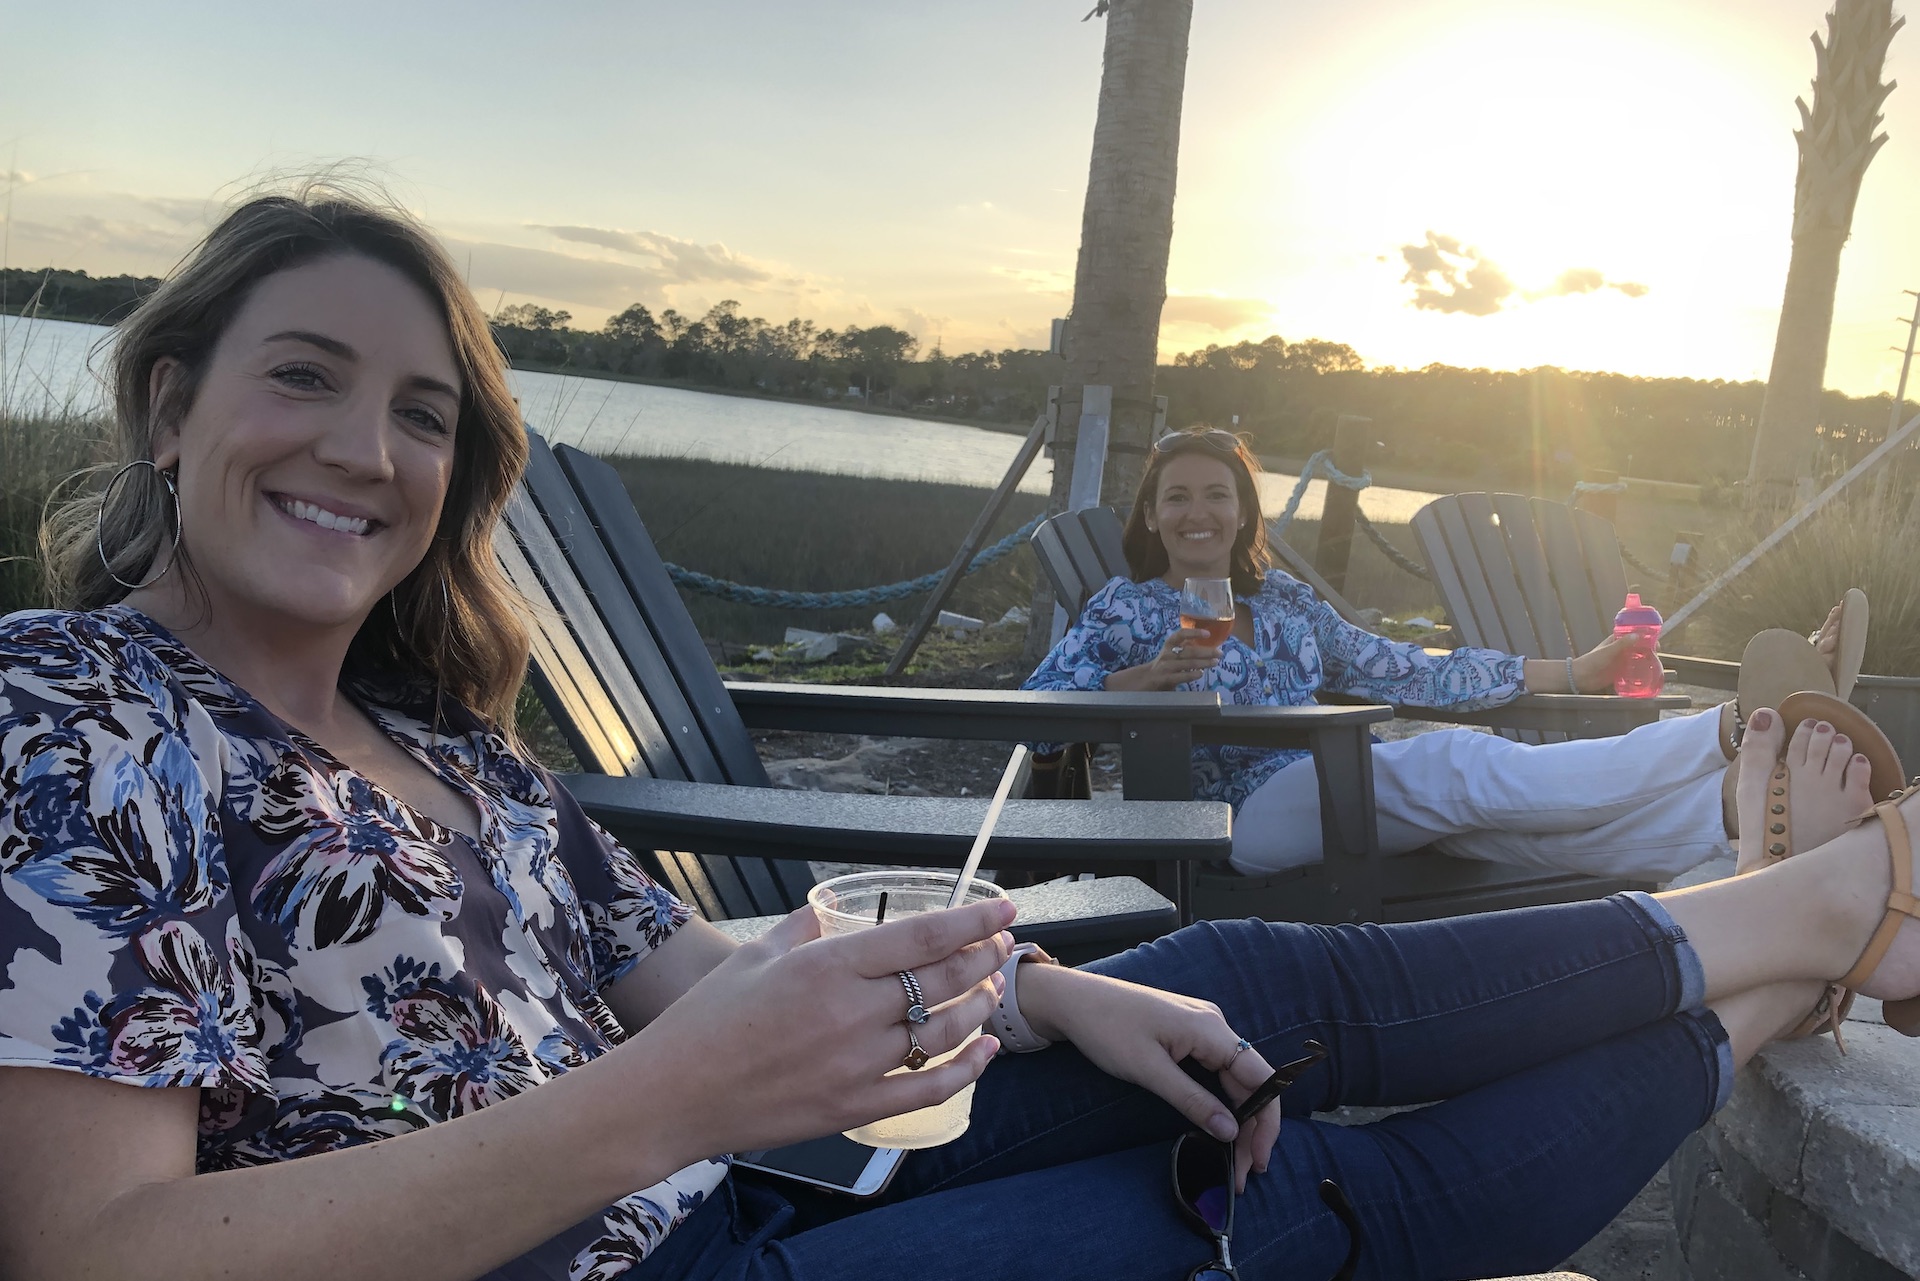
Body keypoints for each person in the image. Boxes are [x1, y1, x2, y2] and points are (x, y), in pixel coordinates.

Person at [2, 188, 1916, 1281]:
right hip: (620, 1256)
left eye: (422, 414)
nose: (367, 450)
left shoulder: (442, 737)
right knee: (1264, 1203)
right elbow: (91, 1258)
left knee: (1229, 985)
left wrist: (1037, 998)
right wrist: (670, 1105)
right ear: (170, 405)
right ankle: (1815, 925)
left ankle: (1775, 953)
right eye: (307, 379)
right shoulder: (74, 718)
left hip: (731, 1177)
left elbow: (687, 967)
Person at [1023, 428, 1864, 880]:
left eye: (1218, 495)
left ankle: (1738, 812)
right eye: (1178, 498)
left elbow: (1406, 667)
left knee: (1520, 839)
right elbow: (1038, 719)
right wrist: (1143, 681)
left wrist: (1574, 670)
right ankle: (1742, 726)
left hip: (1337, 790)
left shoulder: (1285, 605)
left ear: (1245, 514)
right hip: (1225, 821)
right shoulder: (1126, 608)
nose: (1197, 512)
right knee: (1460, 768)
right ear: (1153, 514)